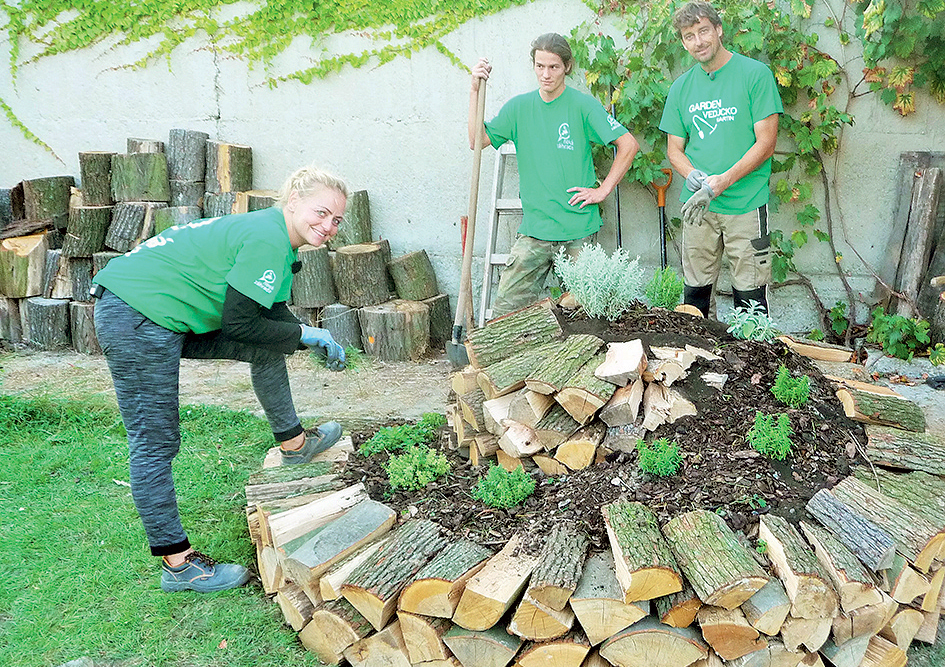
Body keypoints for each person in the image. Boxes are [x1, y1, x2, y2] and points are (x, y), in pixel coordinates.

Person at [92, 165, 350, 593]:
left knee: (269, 347)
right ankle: (178, 565)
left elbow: (268, 318)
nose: (328, 226)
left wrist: (306, 337)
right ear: (293, 203)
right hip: (137, 312)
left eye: (336, 220)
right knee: (154, 441)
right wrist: (305, 333)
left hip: (159, 311)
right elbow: (240, 324)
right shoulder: (268, 238)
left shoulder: (276, 240)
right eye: (321, 212)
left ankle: (294, 446)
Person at [469, 32, 639, 317]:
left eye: (553, 67)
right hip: (535, 230)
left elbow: (628, 144)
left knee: (584, 316)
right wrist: (474, 90)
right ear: (533, 65)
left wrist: (604, 189)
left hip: (578, 230)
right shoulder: (518, 108)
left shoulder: (583, 106)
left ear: (567, 67)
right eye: (540, 66)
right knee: (505, 313)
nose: (546, 74)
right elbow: (478, 141)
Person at [659, 1, 783, 318]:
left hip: (746, 204)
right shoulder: (681, 88)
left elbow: (766, 143)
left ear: (718, 30)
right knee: (695, 297)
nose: (698, 42)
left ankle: (753, 365)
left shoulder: (755, 75)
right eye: (689, 36)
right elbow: (675, 150)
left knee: (750, 299)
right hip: (699, 207)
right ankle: (701, 359)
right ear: (683, 42)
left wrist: (722, 181)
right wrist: (692, 175)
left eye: (703, 31)